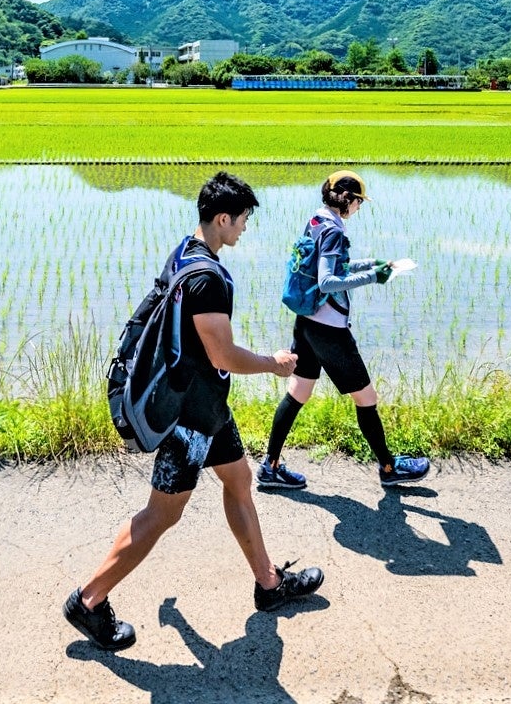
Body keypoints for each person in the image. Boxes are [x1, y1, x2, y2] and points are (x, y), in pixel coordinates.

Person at [64, 172, 325, 652]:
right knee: (161, 515)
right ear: (223, 218)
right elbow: (222, 354)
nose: (245, 228)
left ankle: (268, 585)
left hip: (208, 410)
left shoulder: (186, 251)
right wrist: (274, 364)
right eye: (243, 219)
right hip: (187, 421)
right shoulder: (208, 279)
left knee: (240, 481)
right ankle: (89, 600)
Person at [257, 170, 430, 492]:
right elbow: (328, 281)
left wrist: (373, 264)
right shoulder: (335, 231)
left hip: (307, 322)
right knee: (366, 398)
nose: (360, 207)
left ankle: (270, 466)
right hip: (329, 331)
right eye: (359, 201)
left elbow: (332, 268)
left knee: (299, 391)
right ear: (347, 199)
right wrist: (374, 278)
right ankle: (389, 468)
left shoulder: (317, 221)